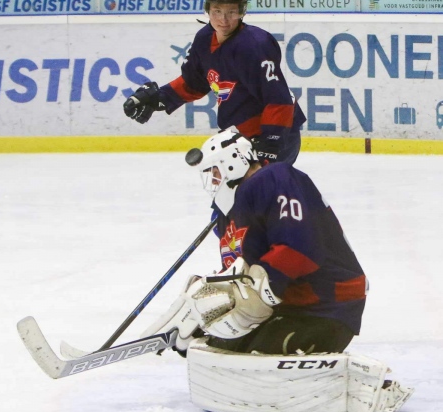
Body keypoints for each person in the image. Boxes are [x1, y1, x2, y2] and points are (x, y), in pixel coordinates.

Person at [141, 126, 368, 357]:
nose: (213, 182)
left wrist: (255, 283)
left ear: (233, 162)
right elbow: (240, 273)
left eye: (215, 173)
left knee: (257, 357)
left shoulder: (274, 178)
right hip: (287, 309)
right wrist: (204, 317)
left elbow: (300, 248)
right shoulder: (229, 216)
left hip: (326, 308)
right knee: (215, 351)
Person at [123, 0, 306, 165]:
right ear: (207, 10)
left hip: (278, 133)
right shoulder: (204, 39)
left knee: (257, 196)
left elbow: (278, 99)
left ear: (242, 12)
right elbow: (193, 83)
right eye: (217, 11)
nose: (223, 20)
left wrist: (271, 141)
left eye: (231, 12)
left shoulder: (255, 45)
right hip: (240, 136)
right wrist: (161, 98)